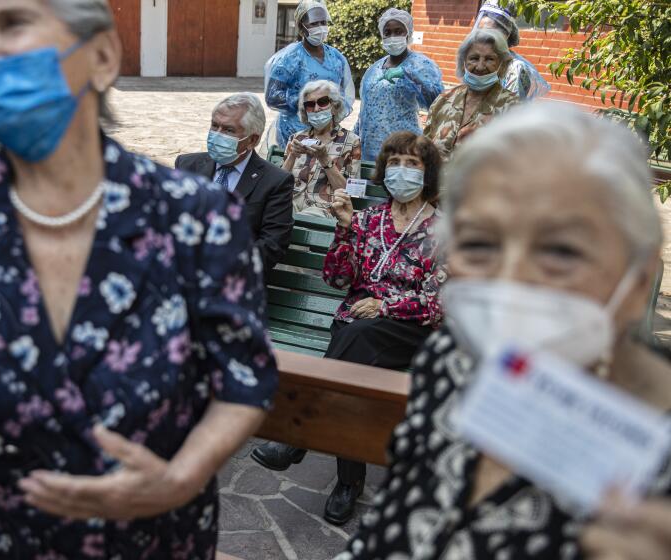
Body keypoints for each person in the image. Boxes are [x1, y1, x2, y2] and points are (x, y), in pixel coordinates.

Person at [0, 1, 278, 558]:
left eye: (14, 27)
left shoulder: (197, 217)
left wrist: (182, 476)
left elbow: (244, 380)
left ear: (101, 56)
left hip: (156, 534)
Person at [335, 103, 671, 559]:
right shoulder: (453, 363)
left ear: (639, 275)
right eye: (483, 242)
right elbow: (395, 522)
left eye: (560, 248)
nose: (515, 276)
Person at [253, 131, 446, 525]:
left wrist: (385, 304)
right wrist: (344, 229)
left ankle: (297, 436)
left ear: (427, 175)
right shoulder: (369, 218)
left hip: (409, 328)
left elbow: (439, 303)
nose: (401, 172)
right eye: (394, 164)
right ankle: (347, 484)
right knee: (353, 369)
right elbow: (337, 280)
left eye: (412, 165)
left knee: (354, 339)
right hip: (357, 327)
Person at [175, 93, 294, 277]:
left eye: (229, 130)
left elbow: (272, 245)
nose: (217, 135)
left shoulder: (275, 181)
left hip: (234, 281)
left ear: (252, 140)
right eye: (214, 126)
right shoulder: (187, 165)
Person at [355, 8, 443, 163]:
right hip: (368, 150)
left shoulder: (420, 64)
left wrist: (409, 74)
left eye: (398, 31)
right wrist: (354, 138)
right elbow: (365, 109)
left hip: (402, 150)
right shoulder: (374, 68)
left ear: (408, 33)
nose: (392, 36)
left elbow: (438, 102)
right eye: (387, 32)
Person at [264, 0, 355, 148]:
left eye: (323, 22)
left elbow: (344, 93)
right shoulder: (290, 58)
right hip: (294, 132)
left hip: (328, 133)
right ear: (301, 28)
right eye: (314, 24)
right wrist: (304, 102)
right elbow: (272, 96)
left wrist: (333, 108)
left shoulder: (336, 58)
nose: (320, 28)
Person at [424, 28, 519, 160]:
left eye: (489, 59)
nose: (480, 66)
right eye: (474, 58)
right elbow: (424, 151)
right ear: (463, 63)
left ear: (502, 65)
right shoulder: (443, 100)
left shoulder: (514, 109)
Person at [284, 80, 362, 218]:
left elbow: (351, 192)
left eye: (323, 102)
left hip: (324, 211)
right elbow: (278, 183)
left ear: (334, 106)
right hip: (290, 205)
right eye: (310, 105)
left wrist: (325, 160)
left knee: (305, 217)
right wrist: (291, 156)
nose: (316, 108)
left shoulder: (352, 141)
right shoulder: (296, 138)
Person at [474, 1, 551, 100]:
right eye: (479, 31)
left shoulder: (515, 69)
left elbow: (510, 111)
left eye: (489, 32)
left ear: (505, 35)